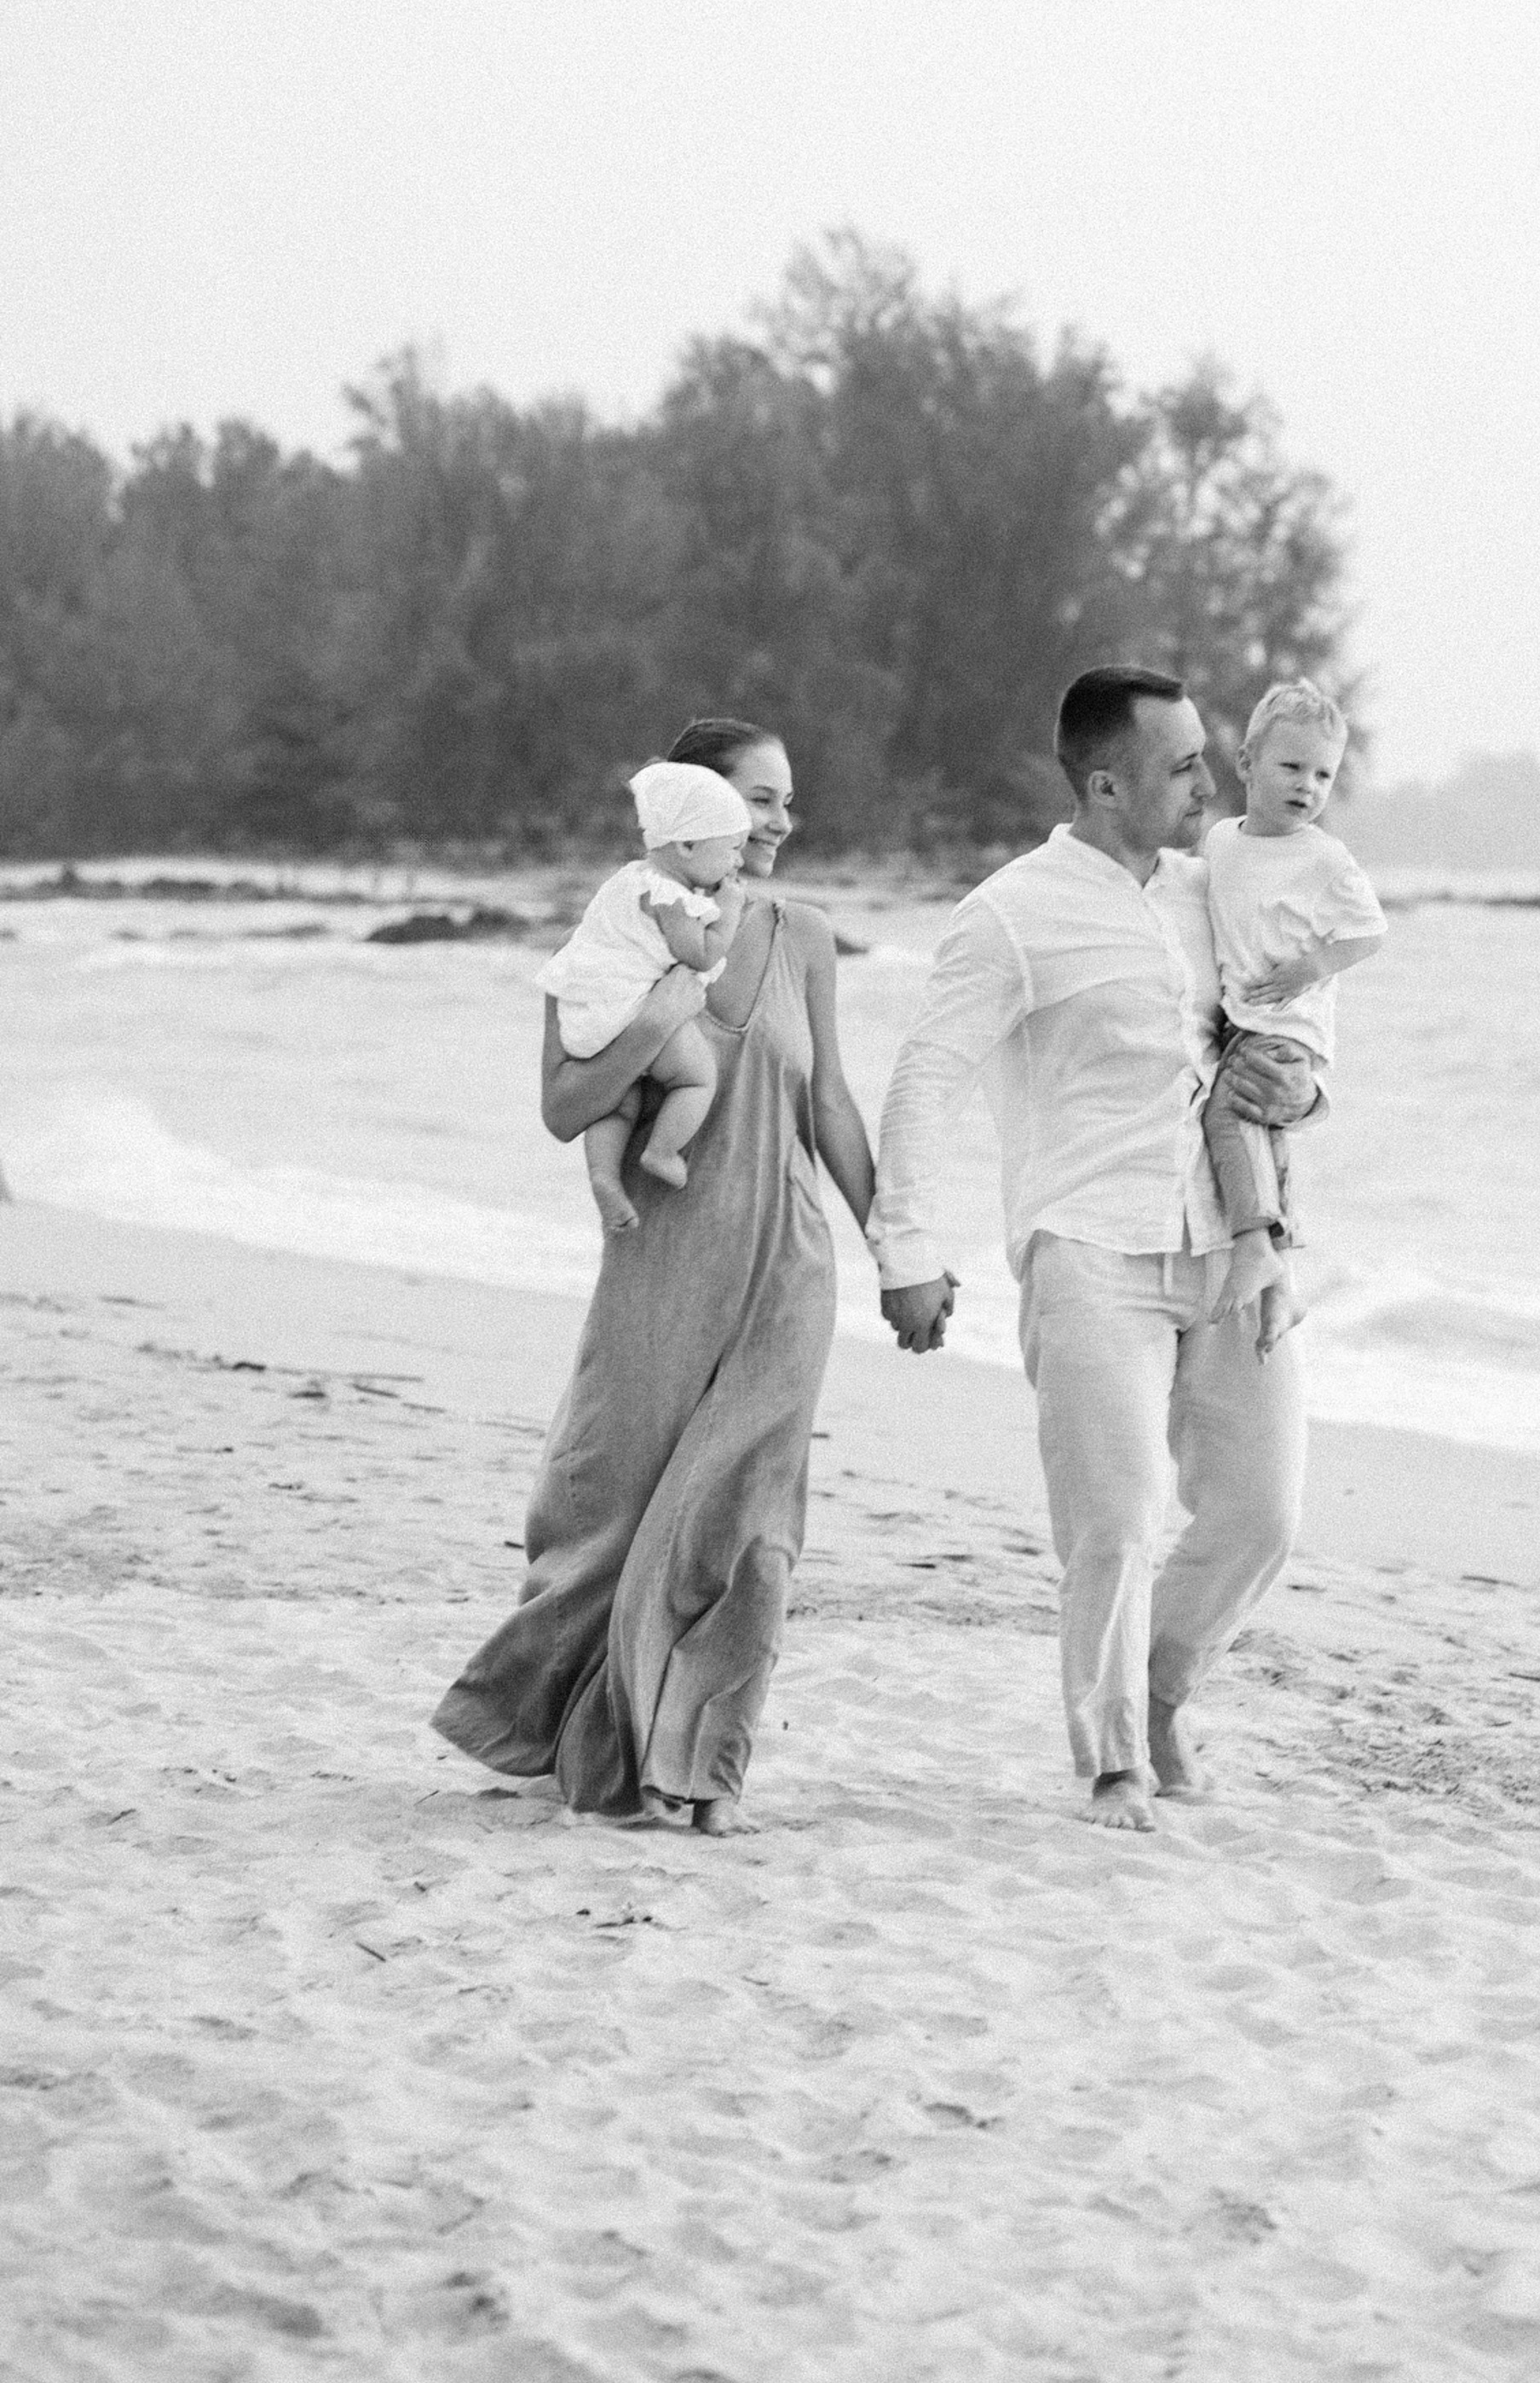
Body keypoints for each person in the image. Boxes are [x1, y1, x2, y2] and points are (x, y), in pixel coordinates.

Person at [874, 666, 1322, 1833]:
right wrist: (905, 1248)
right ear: (1107, 783)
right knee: (1118, 1521)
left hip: (1230, 1243)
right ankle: (1118, 1758)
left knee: (1261, 1512)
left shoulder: (1215, 891)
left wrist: (1299, 1095)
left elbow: (1276, 1036)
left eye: (1208, 758)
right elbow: (927, 1079)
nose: (1210, 782)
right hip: (1088, 1251)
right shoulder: (1011, 914)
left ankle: (1166, 1688)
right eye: (1182, 766)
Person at [432, 717, 874, 1834]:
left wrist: (902, 1250)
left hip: (788, 1263)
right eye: (757, 802)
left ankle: (706, 1770)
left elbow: (828, 1106)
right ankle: (557, 1729)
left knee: (751, 1525)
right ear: (694, 818)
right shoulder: (612, 937)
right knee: (604, 1514)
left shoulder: (804, 936)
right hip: (661, 1264)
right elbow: (564, 1107)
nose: (778, 823)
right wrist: (661, 1022)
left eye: (783, 802)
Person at [1200, 679, 1386, 1352]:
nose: (1307, 786)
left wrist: (1311, 968)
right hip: (1242, 1019)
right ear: (1247, 764)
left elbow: (1369, 933)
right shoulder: (1220, 841)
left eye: (1324, 774)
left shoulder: (1325, 858)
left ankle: (1255, 1246)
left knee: (1230, 1114)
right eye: (1292, 767)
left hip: (1288, 1023)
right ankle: (1285, 1288)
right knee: (1265, 1141)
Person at [535, 759, 752, 1233]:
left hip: (590, 1016)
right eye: (734, 847)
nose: (740, 859)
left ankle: (604, 1177)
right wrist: (729, 912)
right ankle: (662, 1150)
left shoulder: (628, 883)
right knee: (696, 1078)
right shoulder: (672, 897)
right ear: (688, 844)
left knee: (619, 1101)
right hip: (632, 1011)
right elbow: (699, 955)